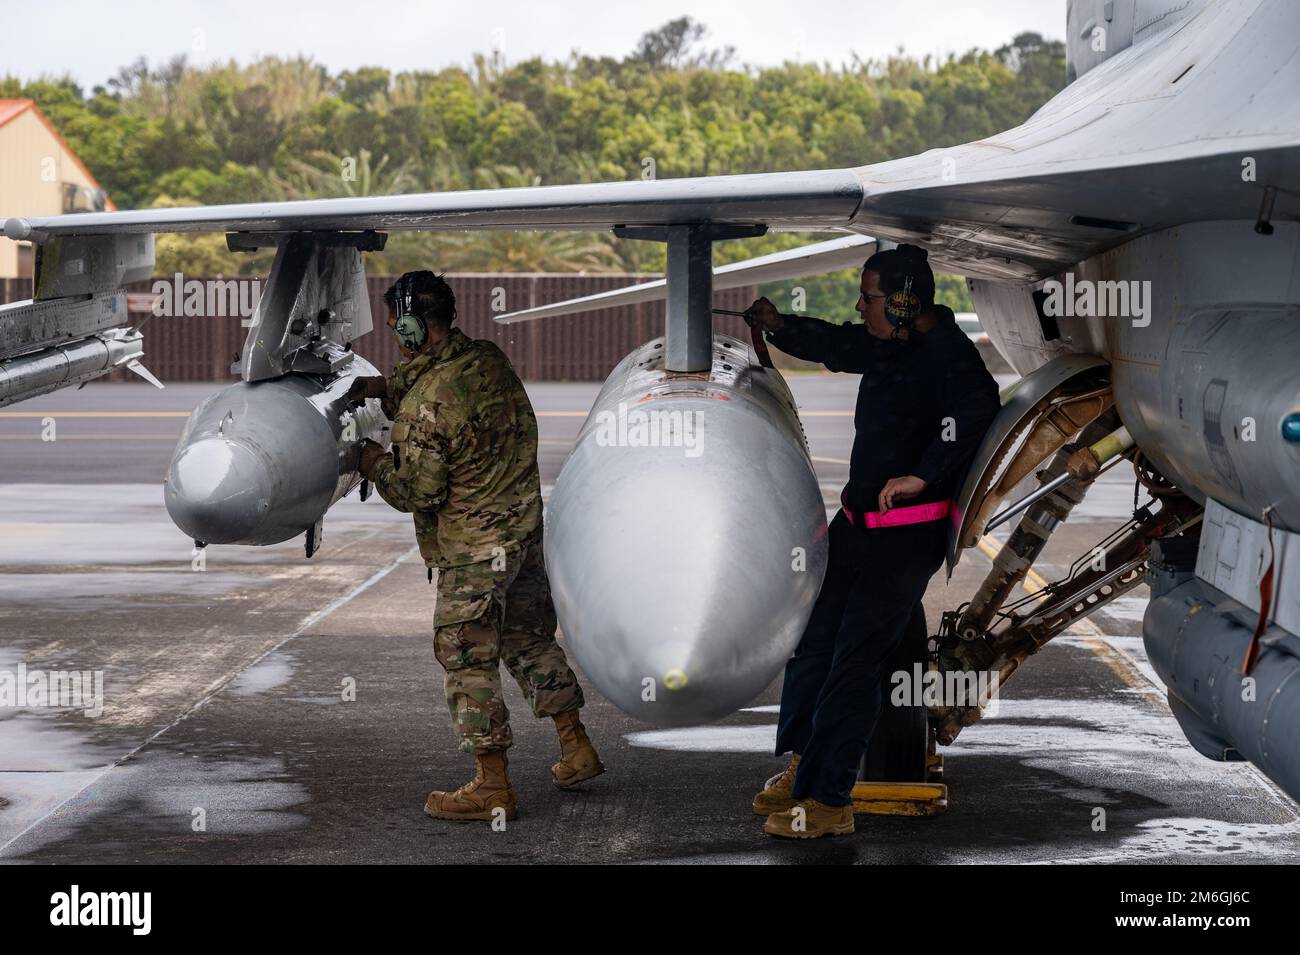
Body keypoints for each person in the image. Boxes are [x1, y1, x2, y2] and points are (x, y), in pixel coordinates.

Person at [743, 245, 1000, 839]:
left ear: (905, 300)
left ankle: (830, 801)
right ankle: (806, 765)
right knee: (812, 644)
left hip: (904, 541)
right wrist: (782, 327)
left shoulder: (950, 359)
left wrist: (926, 474)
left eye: (870, 297)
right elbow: (839, 345)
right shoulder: (893, 343)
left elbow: (977, 410)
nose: (861, 308)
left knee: (853, 662)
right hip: (857, 527)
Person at [352, 270, 604, 823]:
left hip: (472, 555)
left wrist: (368, 459)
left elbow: (416, 490)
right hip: (522, 539)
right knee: (528, 639)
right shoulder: (486, 360)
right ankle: (576, 746)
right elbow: (439, 392)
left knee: (468, 661)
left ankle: (491, 785)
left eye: (397, 325)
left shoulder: (428, 406)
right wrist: (377, 390)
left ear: (416, 326)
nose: (395, 333)